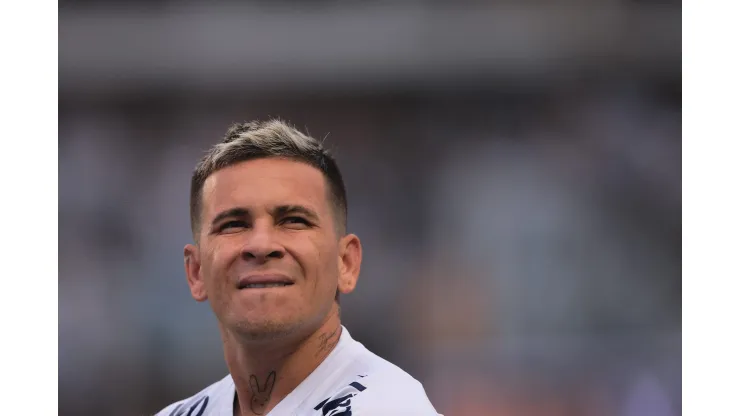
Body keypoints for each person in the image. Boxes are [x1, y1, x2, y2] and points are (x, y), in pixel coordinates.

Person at [155, 119, 441, 415]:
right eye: (234, 224)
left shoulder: (388, 408)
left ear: (346, 263)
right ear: (196, 272)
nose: (262, 245)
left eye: (293, 220)